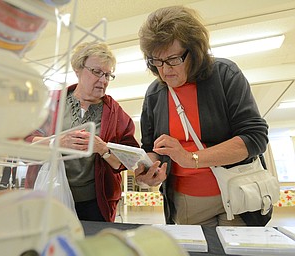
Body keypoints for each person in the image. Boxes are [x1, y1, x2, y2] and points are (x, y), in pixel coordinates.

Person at [134, 6, 270, 227]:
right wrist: (146, 172)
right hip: (187, 202)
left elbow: (255, 137)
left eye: (173, 59)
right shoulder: (155, 93)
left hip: (238, 193)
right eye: (156, 61)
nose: (165, 70)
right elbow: (151, 148)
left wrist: (191, 159)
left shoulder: (225, 74)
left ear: (194, 52)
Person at [25, 42, 139, 222]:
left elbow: (128, 161)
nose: (103, 80)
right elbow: (23, 144)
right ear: (78, 69)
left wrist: (104, 149)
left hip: (94, 205)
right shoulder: (50, 104)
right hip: (49, 197)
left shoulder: (117, 115)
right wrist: (56, 142)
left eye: (108, 75)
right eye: (97, 72)